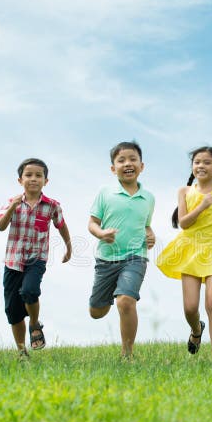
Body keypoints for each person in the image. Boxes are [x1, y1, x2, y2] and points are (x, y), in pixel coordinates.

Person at [156, 147, 212, 359]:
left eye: (207, 162)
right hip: (189, 248)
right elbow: (183, 223)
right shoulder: (184, 192)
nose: (201, 166)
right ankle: (196, 330)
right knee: (190, 307)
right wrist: (202, 206)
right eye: (197, 162)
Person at [0, 158, 72, 357]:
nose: (33, 179)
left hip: (36, 259)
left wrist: (68, 247)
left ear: (46, 181)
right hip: (13, 262)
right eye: (29, 175)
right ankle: (22, 352)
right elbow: (1, 226)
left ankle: (35, 324)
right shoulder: (12, 203)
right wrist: (12, 208)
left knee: (30, 291)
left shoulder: (52, 206)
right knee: (13, 313)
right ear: (20, 180)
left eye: (39, 175)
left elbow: (61, 225)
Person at [88, 141, 156, 358]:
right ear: (113, 168)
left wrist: (150, 233)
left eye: (132, 159)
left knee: (126, 301)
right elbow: (92, 223)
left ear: (141, 166)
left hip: (136, 257)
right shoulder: (105, 192)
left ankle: (127, 354)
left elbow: (145, 224)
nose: (128, 164)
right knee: (96, 312)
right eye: (121, 160)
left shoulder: (148, 198)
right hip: (106, 258)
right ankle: (105, 297)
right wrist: (101, 234)